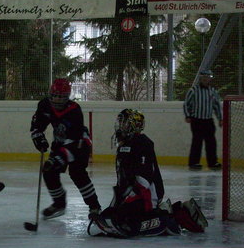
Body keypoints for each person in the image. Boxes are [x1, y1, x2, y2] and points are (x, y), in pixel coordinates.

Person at [89, 109, 208, 238]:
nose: (120, 126)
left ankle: (165, 217)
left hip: (146, 195)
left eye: (124, 123)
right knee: (109, 216)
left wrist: (128, 204)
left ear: (133, 125)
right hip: (132, 195)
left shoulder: (142, 143)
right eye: (120, 123)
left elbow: (143, 181)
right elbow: (123, 181)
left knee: (127, 224)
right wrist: (116, 205)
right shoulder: (125, 146)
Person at [30, 78, 101, 220]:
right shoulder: (44, 105)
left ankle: (94, 206)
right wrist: (39, 138)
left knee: (77, 172)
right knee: (49, 170)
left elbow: (74, 140)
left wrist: (60, 157)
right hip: (61, 140)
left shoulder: (74, 110)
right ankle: (59, 204)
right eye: (54, 96)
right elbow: (37, 126)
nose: (56, 100)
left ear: (67, 97)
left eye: (61, 97)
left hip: (79, 143)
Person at [183, 69, 222, 171]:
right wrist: (188, 116)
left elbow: (217, 106)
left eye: (208, 77)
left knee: (211, 142)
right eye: (204, 77)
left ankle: (213, 162)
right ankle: (194, 163)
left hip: (208, 120)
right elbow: (186, 104)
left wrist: (220, 118)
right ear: (200, 78)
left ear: (210, 79)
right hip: (197, 120)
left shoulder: (212, 91)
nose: (206, 79)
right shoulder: (193, 90)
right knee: (197, 142)